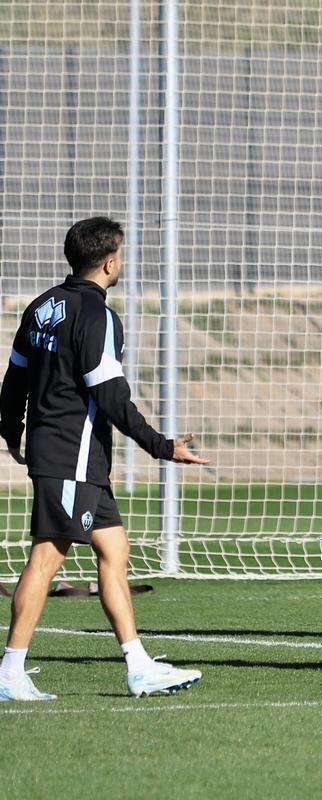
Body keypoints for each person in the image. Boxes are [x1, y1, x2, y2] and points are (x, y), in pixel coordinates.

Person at [0, 216, 209, 701]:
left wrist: (11, 430)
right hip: (71, 457)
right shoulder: (98, 316)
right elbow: (112, 397)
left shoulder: (42, 306)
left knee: (114, 551)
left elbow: (14, 380)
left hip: (74, 459)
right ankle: (10, 669)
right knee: (47, 558)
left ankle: (139, 667)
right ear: (110, 262)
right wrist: (162, 446)